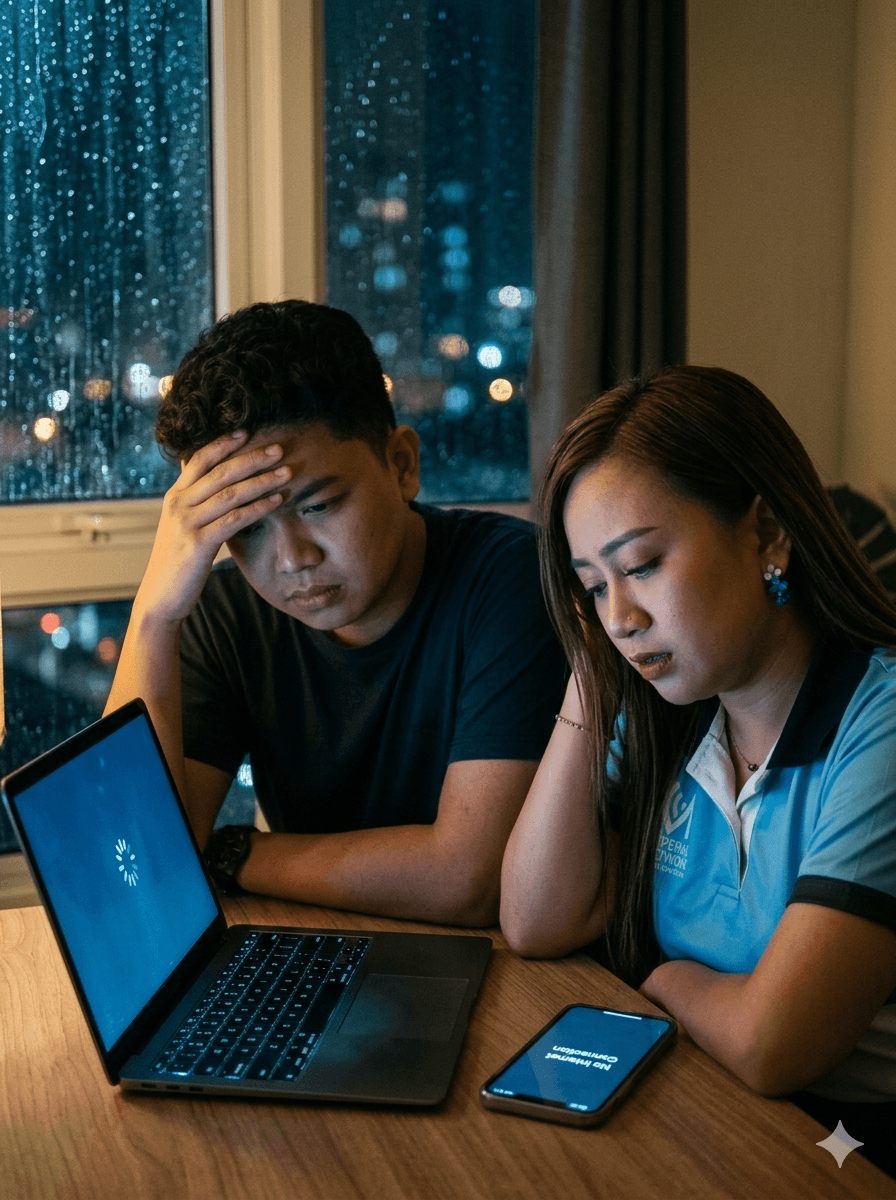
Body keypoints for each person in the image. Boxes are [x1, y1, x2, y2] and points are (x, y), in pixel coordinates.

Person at [500, 365, 896, 1176]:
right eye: (592, 587)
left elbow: (771, 1044)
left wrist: (660, 977)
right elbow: (536, 921)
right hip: (717, 1111)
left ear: (767, 533)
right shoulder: (673, 714)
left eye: (643, 565)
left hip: (854, 1150)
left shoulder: (880, 722)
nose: (621, 618)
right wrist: (590, 678)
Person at [105, 299, 565, 925]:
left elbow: (472, 881)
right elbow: (134, 868)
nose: (293, 559)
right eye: (246, 528)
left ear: (402, 464)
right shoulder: (227, 614)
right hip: (324, 938)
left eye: (319, 506)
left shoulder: (512, 578)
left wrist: (233, 852)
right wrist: (153, 617)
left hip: (513, 962)